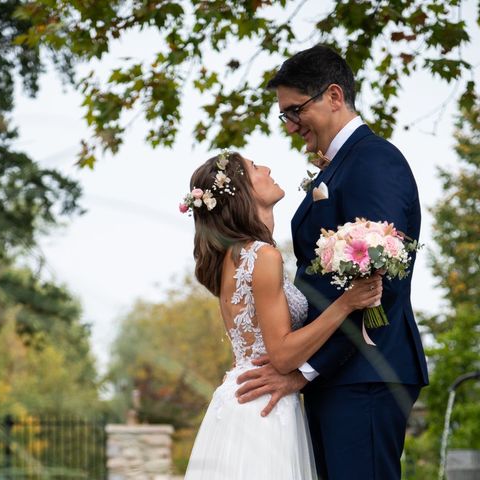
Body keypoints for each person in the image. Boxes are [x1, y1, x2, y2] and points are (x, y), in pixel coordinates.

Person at [235, 44, 429, 480]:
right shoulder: (337, 168)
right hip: (341, 374)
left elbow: (382, 283)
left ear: (335, 96)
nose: (290, 125)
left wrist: (304, 371)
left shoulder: (373, 161)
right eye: (284, 115)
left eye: (295, 110)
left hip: (367, 373)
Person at [181, 151, 382, 479]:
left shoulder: (229, 258)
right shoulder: (263, 256)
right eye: (256, 167)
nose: (268, 168)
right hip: (264, 406)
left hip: (241, 397)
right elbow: (284, 355)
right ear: (242, 190)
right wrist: (346, 303)